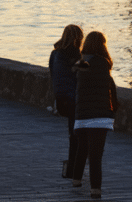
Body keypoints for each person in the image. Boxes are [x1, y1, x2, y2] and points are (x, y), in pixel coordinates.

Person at [70, 30, 117, 199]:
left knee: (82, 148)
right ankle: (95, 190)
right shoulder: (104, 64)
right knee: (96, 155)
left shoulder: (81, 63)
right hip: (100, 115)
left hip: (82, 115)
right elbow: (110, 89)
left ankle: (76, 180)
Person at [49, 24, 84, 181]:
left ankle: (71, 168)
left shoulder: (55, 54)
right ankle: (73, 170)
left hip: (60, 99)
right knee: (77, 134)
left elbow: (53, 74)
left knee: (73, 133)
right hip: (73, 99)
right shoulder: (77, 56)